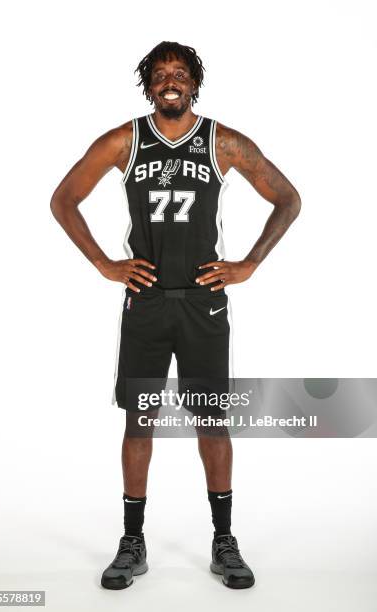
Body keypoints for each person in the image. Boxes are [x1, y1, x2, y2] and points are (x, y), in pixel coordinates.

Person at [50, 41, 301, 590]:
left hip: (203, 302)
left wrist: (250, 263)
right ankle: (132, 540)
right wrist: (103, 264)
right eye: (160, 74)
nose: (170, 81)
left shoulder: (222, 142)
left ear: (193, 84)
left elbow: (287, 197)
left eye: (180, 73)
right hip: (146, 301)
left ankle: (224, 539)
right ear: (148, 86)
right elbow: (63, 199)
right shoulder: (124, 141)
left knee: (212, 420)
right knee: (140, 420)